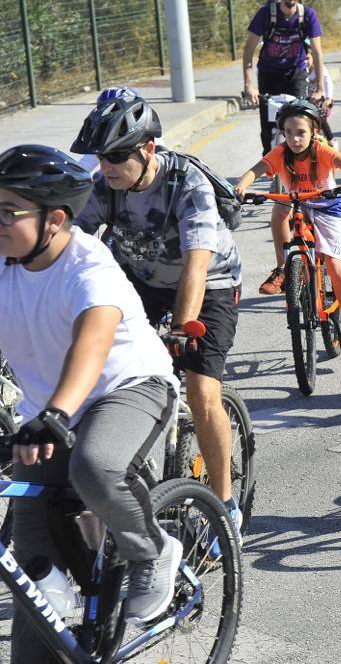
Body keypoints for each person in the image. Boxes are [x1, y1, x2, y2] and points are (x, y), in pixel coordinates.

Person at [0, 145, 183, 661]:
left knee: (96, 467)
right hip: (51, 411)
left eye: (7, 211)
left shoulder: (88, 268)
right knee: (34, 588)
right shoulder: (7, 263)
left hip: (127, 390)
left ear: (55, 219)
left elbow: (93, 343)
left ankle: (153, 549)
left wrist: (55, 414)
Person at [69, 95, 245, 538]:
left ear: (147, 149)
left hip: (208, 284)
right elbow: (69, 244)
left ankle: (225, 508)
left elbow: (197, 267)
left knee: (201, 389)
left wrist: (184, 330)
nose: (105, 166)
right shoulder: (103, 185)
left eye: (115, 156)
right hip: (141, 279)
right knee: (105, 372)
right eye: (100, 157)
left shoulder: (187, 185)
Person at [234, 99, 341, 350]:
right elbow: (255, 170)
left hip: (327, 206)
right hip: (299, 203)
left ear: (314, 131)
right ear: (282, 134)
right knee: (278, 209)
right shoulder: (280, 153)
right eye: (289, 133)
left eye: (301, 132)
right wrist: (242, 186)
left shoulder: (321, 150)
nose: (295, 139)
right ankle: (283, 268)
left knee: (333, 263)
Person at [241, 0, 325, 155]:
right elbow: (248, 49)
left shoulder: (307, 15)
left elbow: (317, 52)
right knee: (268, 125)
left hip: (296, 74)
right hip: (269, 74)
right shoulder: (266, 14)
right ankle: (270, 159)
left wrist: (320, 89)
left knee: (301, 121)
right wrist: (249, 85)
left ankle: (302, 164)